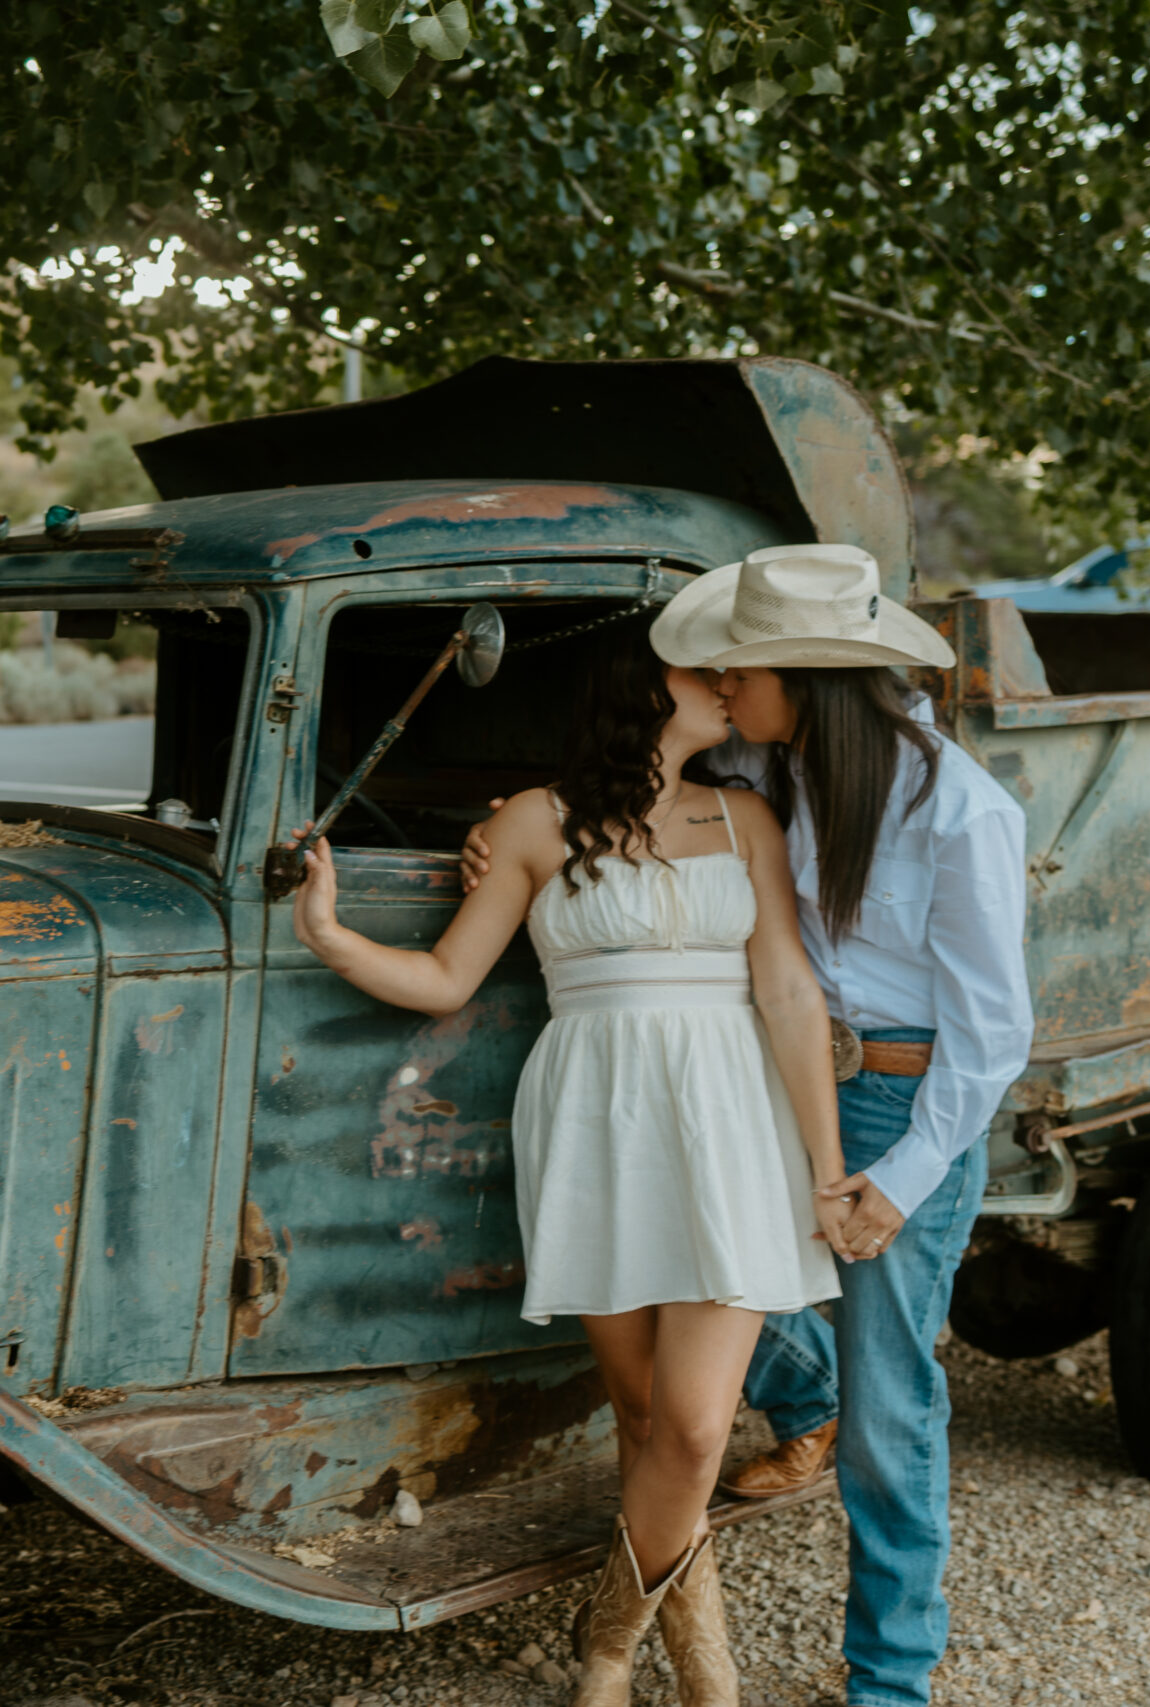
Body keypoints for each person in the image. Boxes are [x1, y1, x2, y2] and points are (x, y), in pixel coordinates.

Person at [461, 544, 1034, 1707]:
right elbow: (626, 797)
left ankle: (890, 1677)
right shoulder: (768, 770)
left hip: (898, 1100)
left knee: (888, 1401)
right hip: (762, 1079)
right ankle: (678, 1581)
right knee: (708, 1311)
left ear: (803, 678)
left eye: (740, 670)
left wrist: (901, 1175)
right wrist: (501, 835)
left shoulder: (957, 809)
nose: (720, 687)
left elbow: (994, 1035)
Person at [288, 614, 869, 1707]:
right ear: (640, 691)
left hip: (730, 1118)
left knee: (698, 1427)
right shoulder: (528, 824)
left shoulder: (745, 816)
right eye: (707, 675)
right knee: (642, 1418)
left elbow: (788, 993)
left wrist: (825, 1166)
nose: (730, 688)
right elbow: (447, 978)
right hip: (597, 1120)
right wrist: (328, 935)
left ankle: (613, 1643)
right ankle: (696, 1664)